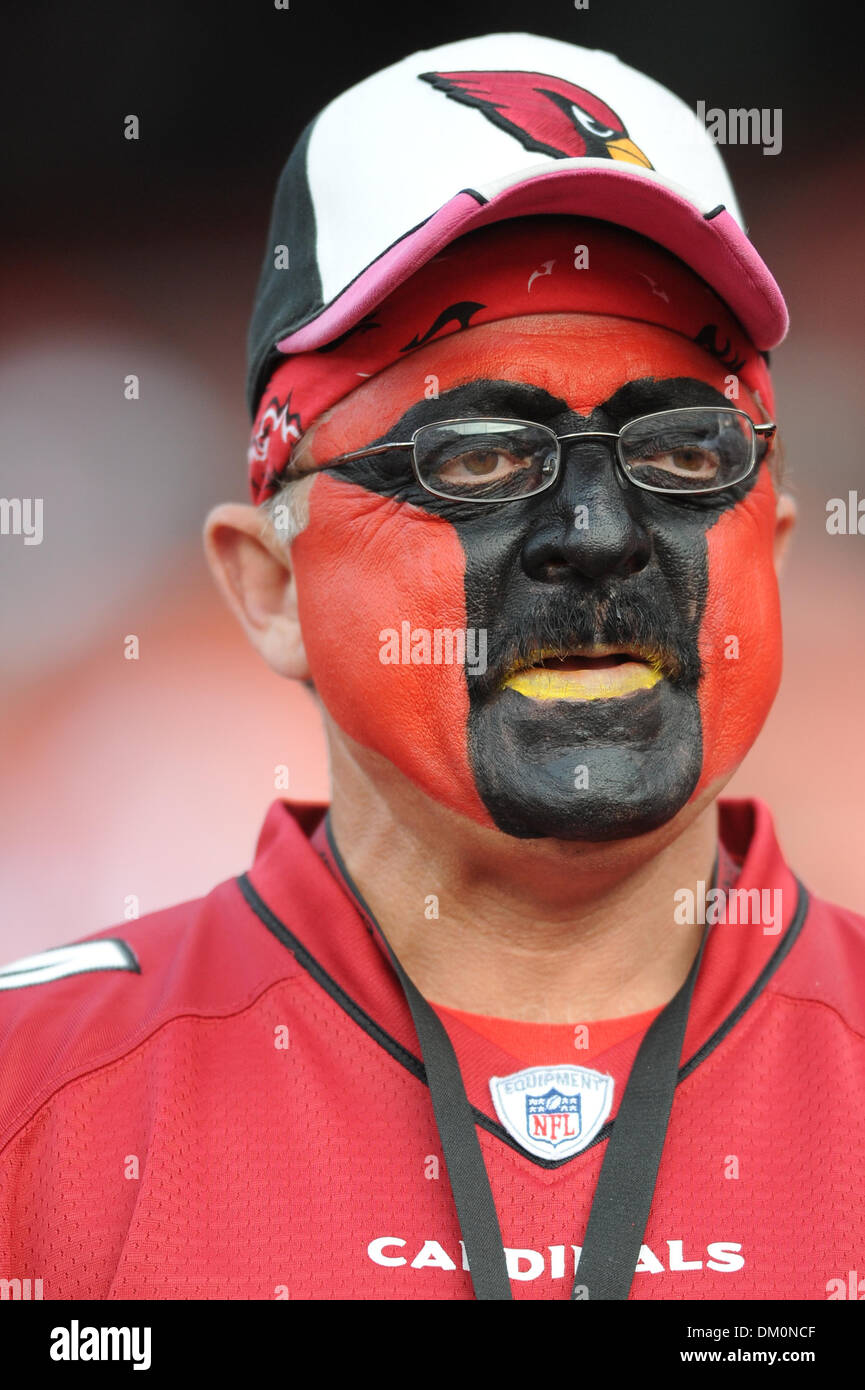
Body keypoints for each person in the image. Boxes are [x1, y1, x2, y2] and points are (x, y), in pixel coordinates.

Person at [1, 32, 863, 1302]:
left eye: (681, 453)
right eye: (475, 457)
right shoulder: (37, 1098)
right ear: (269, 584)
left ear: (775, 550)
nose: (598, 535)